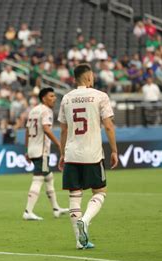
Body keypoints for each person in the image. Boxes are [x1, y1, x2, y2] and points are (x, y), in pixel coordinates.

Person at [58, 64, 118, 249]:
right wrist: (114, 150)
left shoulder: (66, 99)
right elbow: (108, 126)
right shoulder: (100, 96)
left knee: (74, 196)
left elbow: (63, 129)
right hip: (92, 154)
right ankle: (85, 220)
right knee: (100, 192)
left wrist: (62, 153)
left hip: (72, 154)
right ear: (89, 77)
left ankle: (79, 240)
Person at [23, 87, 68, 221]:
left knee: (49, 177)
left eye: (54, 96)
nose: (54, 99)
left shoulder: (33, 110)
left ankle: (56, 209)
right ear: (44, 98)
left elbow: (27, 131)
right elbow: (47, 129)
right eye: (51, 96)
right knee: (39, 179)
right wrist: (59, 144)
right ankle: (28, 211)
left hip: (32, 149)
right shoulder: (46, 111)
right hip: (41, 151)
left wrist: (27, 150)